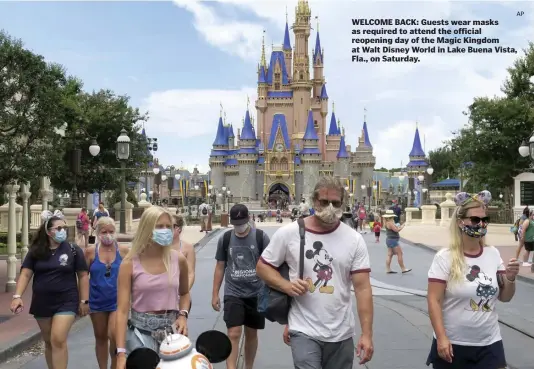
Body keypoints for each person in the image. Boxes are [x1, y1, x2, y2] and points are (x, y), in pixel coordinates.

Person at [257, 176, 374, 368]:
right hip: (303, 330)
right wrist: (286, 286)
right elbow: (262, 267)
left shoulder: (354, 239)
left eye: (336, 203)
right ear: (313, 200)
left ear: (343, 203)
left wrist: (367, 334)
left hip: (341, 332)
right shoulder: (289, 233)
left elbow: (363, 289)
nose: (330, 207)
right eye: (324, 201)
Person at [426, 191, 519, 369]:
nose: (481, 224)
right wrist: (442, 337)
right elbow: (433, 299)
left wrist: (511, 278)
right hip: (454, 345)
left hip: (490, 343)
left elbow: (505, 297)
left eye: (485, 220)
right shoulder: (444, 257)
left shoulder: (493, 254)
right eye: (475, 220)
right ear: (461, 222)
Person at [10, 210, 89, 369]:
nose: (62, 231)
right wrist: (17, 296)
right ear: (48, 231)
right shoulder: (36, 251)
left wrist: (84, 300)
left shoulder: (73, 250)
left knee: (58, 339)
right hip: (42, 302)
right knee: (49, 342)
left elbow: (83, 276)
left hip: (67, 301)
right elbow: (25, 274)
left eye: (64, 228)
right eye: (58, 228)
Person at [115, 206, 191, 369]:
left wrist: (183, 316)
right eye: (159, 226)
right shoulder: (129, 263)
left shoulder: (178, 260)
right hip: (140, 334)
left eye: (168, 226)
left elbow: (184, 293)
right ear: (147, 229)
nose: (165, 230)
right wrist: (120, 353)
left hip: (172, 335)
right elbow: (121, 311)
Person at [212, 204, 270, 369]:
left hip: (256, 293)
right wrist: (215, 293)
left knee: (251, 333)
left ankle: (248, 366)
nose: (239, 227)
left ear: (249, 218)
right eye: (236, 224)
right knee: (234, 333)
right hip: (233, 292)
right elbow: (220, 266)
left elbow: (270, 264)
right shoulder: (225, 239)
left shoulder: (261, 237)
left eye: (242, 223)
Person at [85, 217, 129, 369]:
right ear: (98, 233)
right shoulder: (91, 252)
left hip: (117, 301)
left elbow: (131, 274)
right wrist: (84, 300)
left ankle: (115, 365)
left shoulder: (123, 251)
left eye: (111, 231)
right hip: (97, 300)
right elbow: (83, 276)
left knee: (115, 336)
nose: (108, 235)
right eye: (104, 232)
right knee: (101, 337)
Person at [172, 214, 196, 291]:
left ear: (178, 228)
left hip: (180, 293)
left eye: (170, 226)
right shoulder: (159, 247)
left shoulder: (188, 248)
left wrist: (184, 293)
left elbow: (190, 274)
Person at [383, 210, 411, 274]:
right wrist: (402, 226)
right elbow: (396, 230)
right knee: (400, 253)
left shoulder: (386, 222)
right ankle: (403, 268)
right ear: (391, 216)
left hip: (389, 239)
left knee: (390, 254)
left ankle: (388, 269)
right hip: (393, 240)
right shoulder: (390, 223)